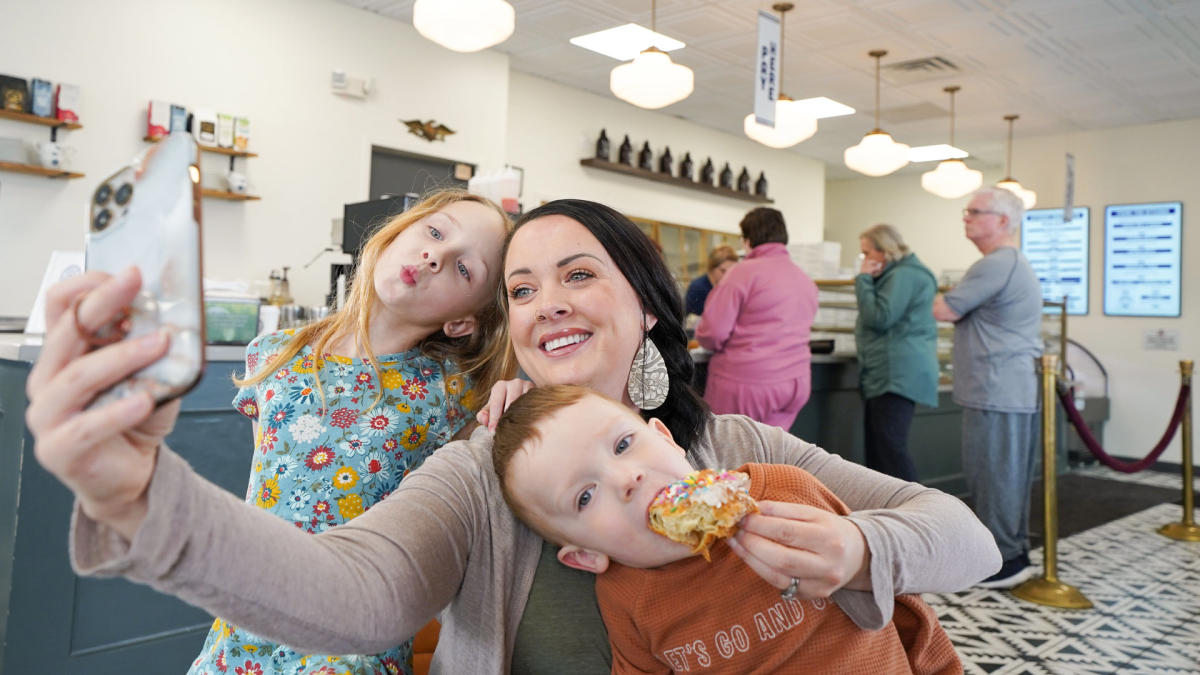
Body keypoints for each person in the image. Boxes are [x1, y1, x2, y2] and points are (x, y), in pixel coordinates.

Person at [28, 199, 1000, 674]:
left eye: (578, 274)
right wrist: (141, 497)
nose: (548, 305)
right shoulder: (476, 474)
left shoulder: (738, 451)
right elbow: (355, 591)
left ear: (648, 306)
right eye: (522, 290)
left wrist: (864, 544)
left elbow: (967, 535)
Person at [189, 189, 512, 674]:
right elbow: (264, 489)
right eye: (436, 231)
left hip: (352, 638)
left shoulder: (456, 393)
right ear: (400, 231)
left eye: (465, 269)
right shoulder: (276, 353)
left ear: (463, 321)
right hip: (246, 625)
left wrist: (518, 395)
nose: (434, 256)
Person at [492, 384, 962, 674]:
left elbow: (902, 605)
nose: (626, 479)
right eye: (585, 496)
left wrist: (862, 554)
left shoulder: (784, 489)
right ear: (585, 556)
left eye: (622, 444)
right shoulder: (626, 599)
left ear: (668, 440)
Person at [933, 187, 1043, 589]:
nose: (966, 218)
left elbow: (942, 310)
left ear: (1001, 221)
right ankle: (1011, 553)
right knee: (1003, 475)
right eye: (966, 211)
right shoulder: (1006, 262)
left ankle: (1004, 561)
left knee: (995, 476)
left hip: (998, 389)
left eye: (975, 212)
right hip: (1001, 388)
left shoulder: (998, 263)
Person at [695, 207, 818, 428]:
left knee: (729, 454)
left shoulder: (743, 273)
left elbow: (713, 332)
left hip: (749, 382)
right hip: (795, 382)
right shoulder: (804, 279)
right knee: (771, 454)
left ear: (747, 240)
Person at [854, 224, 939, 482]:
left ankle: (917, 513)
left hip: (895, 372)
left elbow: (880, 317)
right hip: (892, 371)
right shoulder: (908, 273)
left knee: (889, 450)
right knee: (883, 448)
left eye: (867, 253)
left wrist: (864, 280)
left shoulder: (903, 275)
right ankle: (889, 514)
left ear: (885, 251)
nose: (865, 260)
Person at [684, 245, 738, 317]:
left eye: (731, 272)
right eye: (723, 271)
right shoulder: (697, 288)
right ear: (712, 268)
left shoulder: (729, 286)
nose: (727, 275)